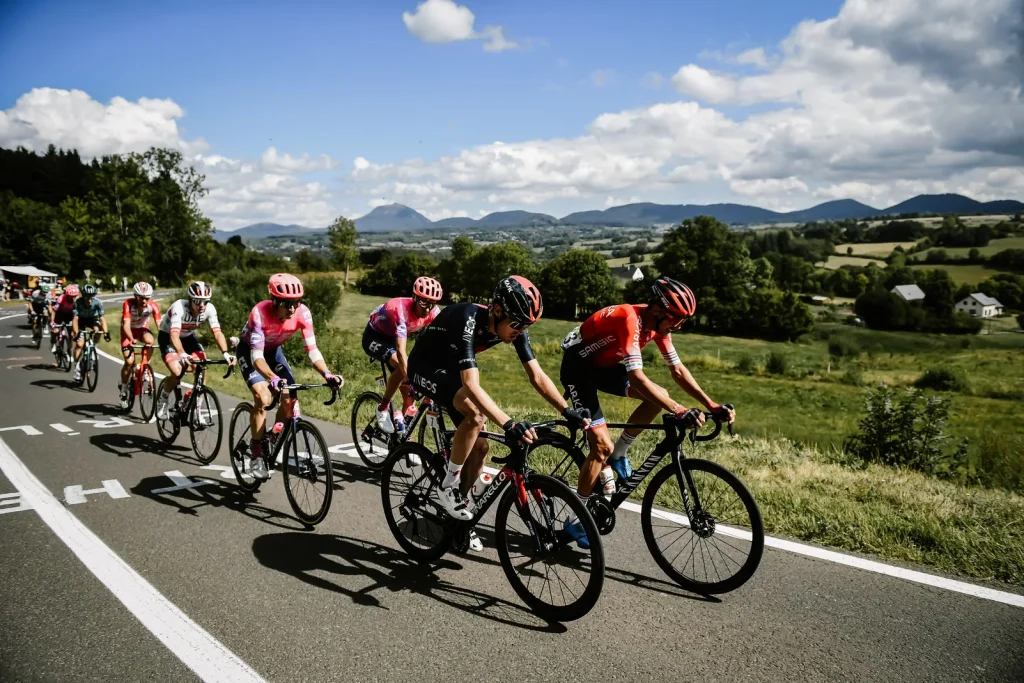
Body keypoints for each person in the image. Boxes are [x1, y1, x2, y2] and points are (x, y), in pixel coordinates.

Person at [406, 275, 590, 551]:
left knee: (480, 448)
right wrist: (508, 422)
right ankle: (447, 485)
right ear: (498, 310)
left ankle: (460, 516)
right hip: (424, 366)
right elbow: (471, 384)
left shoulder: (514, 326)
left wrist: (567, 410)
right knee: (476, 417)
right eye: (517, 324)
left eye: (526, 326)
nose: (520, 331)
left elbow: (537, 376)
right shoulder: (468, 318)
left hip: (451, 370)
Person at [558, 276, 735, 547]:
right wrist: (679, 409)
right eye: (676, 318)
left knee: (659, 396)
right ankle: (576, 518)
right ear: (657, 310)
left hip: (604, 368)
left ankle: (620, 455)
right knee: (600, 447)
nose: (678, 325)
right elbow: (637, 377)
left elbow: (677, 370)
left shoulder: (659, 327)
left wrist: (711, 405)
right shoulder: (629, 319)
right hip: (578, 370)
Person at [236, 273, 344, 479]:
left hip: (274, 352)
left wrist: (327, 374)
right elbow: (257, 357)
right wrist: (271, 378)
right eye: (287, 304)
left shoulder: (303, 313)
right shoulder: (259, 312)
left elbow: (312, 350)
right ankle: (257, 453)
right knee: (263, 396)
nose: (292, 309)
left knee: (289, 399)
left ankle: (272, 437)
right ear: (274, 301)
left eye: (296, 302)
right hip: (250, 352)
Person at [362, 276, 442, 434]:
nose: (427, 308)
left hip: (394, 337)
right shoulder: (400, 309)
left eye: (432, 303)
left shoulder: (433, 312)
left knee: (409, 397)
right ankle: (383, 407)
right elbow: (401, 352)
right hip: (375, 337)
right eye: (424, 302)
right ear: (414, 298)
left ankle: (404, 439)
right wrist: (412, 379)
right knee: (402, 365)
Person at [155, 282, 235, 419]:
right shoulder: (179, 307)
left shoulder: (209, 309)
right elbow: (174, 335)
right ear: (190, 300)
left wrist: (225, 353)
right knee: (177, 371)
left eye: (205, 301)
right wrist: (181, 353)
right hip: (168, 337)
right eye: (198, 302)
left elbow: (217, 333)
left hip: (188, 337)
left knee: (202, 367)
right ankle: (163, 397)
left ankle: (196, 409)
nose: (202, 306)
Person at [118, 282, 162, 408]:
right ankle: (124, 390)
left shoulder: (153, 305)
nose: (144, 300)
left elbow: (160, 325)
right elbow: (126, 325)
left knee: (150, 341)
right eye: (141, 297)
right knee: (128, 361)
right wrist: (131, 339)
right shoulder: (128, 303)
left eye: (147, 298)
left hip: (142, 329)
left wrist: (166, 339)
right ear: (136, 296)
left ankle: (144, 366)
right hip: (128, 332)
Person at [71, 284, 110, 381]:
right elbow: (75, 319)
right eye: (87, 298)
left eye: (91, 298)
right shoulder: (77, 303)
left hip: (92, 319)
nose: (89, 300)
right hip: (80, 321)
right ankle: (76, 368)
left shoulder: (98, 303)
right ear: (83, 297)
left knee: (97, 329)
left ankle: (94, 346)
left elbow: (102, 319)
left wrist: (106, 333)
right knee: (80, 344)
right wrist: (76, 334)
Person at [49, 283, 79, 357]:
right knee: (55, 330)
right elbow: (54, 310)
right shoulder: (61, 298)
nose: (72, 298)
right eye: (70, 297)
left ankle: (69, 349)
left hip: (70, 315)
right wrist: (52, 322)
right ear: (66, 294)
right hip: (60, 314)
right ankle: (53, 343)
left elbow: (79, 313)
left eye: (74, 296)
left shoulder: (78, 300)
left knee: (72, 334)